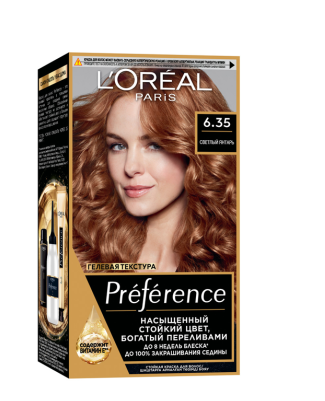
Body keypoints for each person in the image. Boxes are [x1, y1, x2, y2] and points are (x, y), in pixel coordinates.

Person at [73, 68, 236, 275]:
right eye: (118, 146)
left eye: (155, 146)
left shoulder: (235, 258)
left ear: (195, 152)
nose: (130, 167)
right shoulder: (79, 253)